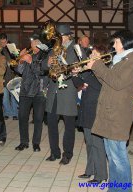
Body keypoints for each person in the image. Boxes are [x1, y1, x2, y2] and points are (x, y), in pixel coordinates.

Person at [87, 29, 133, 191]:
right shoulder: (121, 60)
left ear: (125, 42)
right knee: (112, 157)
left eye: (116, 42)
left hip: (118, 115)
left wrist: (98, 64)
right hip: (110, 113)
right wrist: (95, 68)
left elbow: (117, 82)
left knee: (119, 157)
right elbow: (107, 82)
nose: (114, 45)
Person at [45, 23, 86, 165]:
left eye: (60, 36)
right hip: (53, 92)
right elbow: (44, 67)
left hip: (68, 91)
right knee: (51, 123)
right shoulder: (54, 49)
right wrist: (48, 62)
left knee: (69, 125)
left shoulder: (76, 49)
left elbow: (83, 69)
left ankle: (67, 154)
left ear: (68, 36)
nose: (58, 39)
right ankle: (54, 152)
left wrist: (73, 70)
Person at [75, 45, 108, 183]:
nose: (90, 56)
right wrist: (75, 74)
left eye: (93, 54)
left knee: (97, 144)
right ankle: (90, 170)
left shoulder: (103, 70)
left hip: (96, 111)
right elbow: (79, 84)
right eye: (90, 54)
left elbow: (99, 85)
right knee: (89, 143)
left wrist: (86, 72)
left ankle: (101, 175)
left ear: (101, 57)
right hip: (86, 109)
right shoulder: (90, 71)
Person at [14, 33, 48, 152]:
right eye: (32, 44)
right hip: (25, 90)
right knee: (22, 117)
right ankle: (24, 142)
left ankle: (36, 143)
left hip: (39, 90)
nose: (31, 46)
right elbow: (19, 71)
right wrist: (21, 60)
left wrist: (30, 62)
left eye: (34, 44)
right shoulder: (28, 55)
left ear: (39, 46)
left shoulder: (44, 56)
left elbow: (41, 72)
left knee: (38, 118)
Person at [0, 33, 19, 120]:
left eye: (4, 42)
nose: (3, 44)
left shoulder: (11, 48)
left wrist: (16, 54)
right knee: (4, 98)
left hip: (12, 75)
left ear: (7, 40)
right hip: (2, 76)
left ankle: (15, 113)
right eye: (1, 42)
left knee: (13, 96)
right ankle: (7, 112)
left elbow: (17, 58)